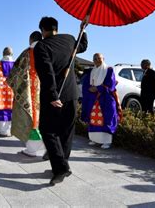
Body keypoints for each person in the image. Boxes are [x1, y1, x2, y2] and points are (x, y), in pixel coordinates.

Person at [34, 16, 88, 186]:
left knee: (48, 130)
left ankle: (61, 168)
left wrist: (52, 96)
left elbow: (47, 72)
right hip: (71, 94)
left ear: (43, 30)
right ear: (56, 27)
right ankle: (62, 164)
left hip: (54, 97)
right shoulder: (69, 39)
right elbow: (83, 46)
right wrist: (83, 31)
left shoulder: (41, 46)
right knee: (66, 132)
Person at [7, 31, 46, 157]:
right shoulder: (48, 50)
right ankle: (48, 148)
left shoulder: (26, 53)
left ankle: (32, 149)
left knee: (31, 115)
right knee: (43, 117)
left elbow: (15, 74)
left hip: (28, 90)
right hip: (45, 88)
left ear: (30, 40)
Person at [81, 53, 121, 149]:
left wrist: (98, 88)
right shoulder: (92, 71)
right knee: (93, 118)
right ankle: (94, 139)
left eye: (99, 58)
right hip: (92, 98)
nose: (97, 60)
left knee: (105, 118)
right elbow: (86, 84)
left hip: (105, 98)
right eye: (95, 58)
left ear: (103, 58)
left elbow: (110, 84)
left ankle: (106, 141)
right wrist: (89, 88)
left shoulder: (109, 70)